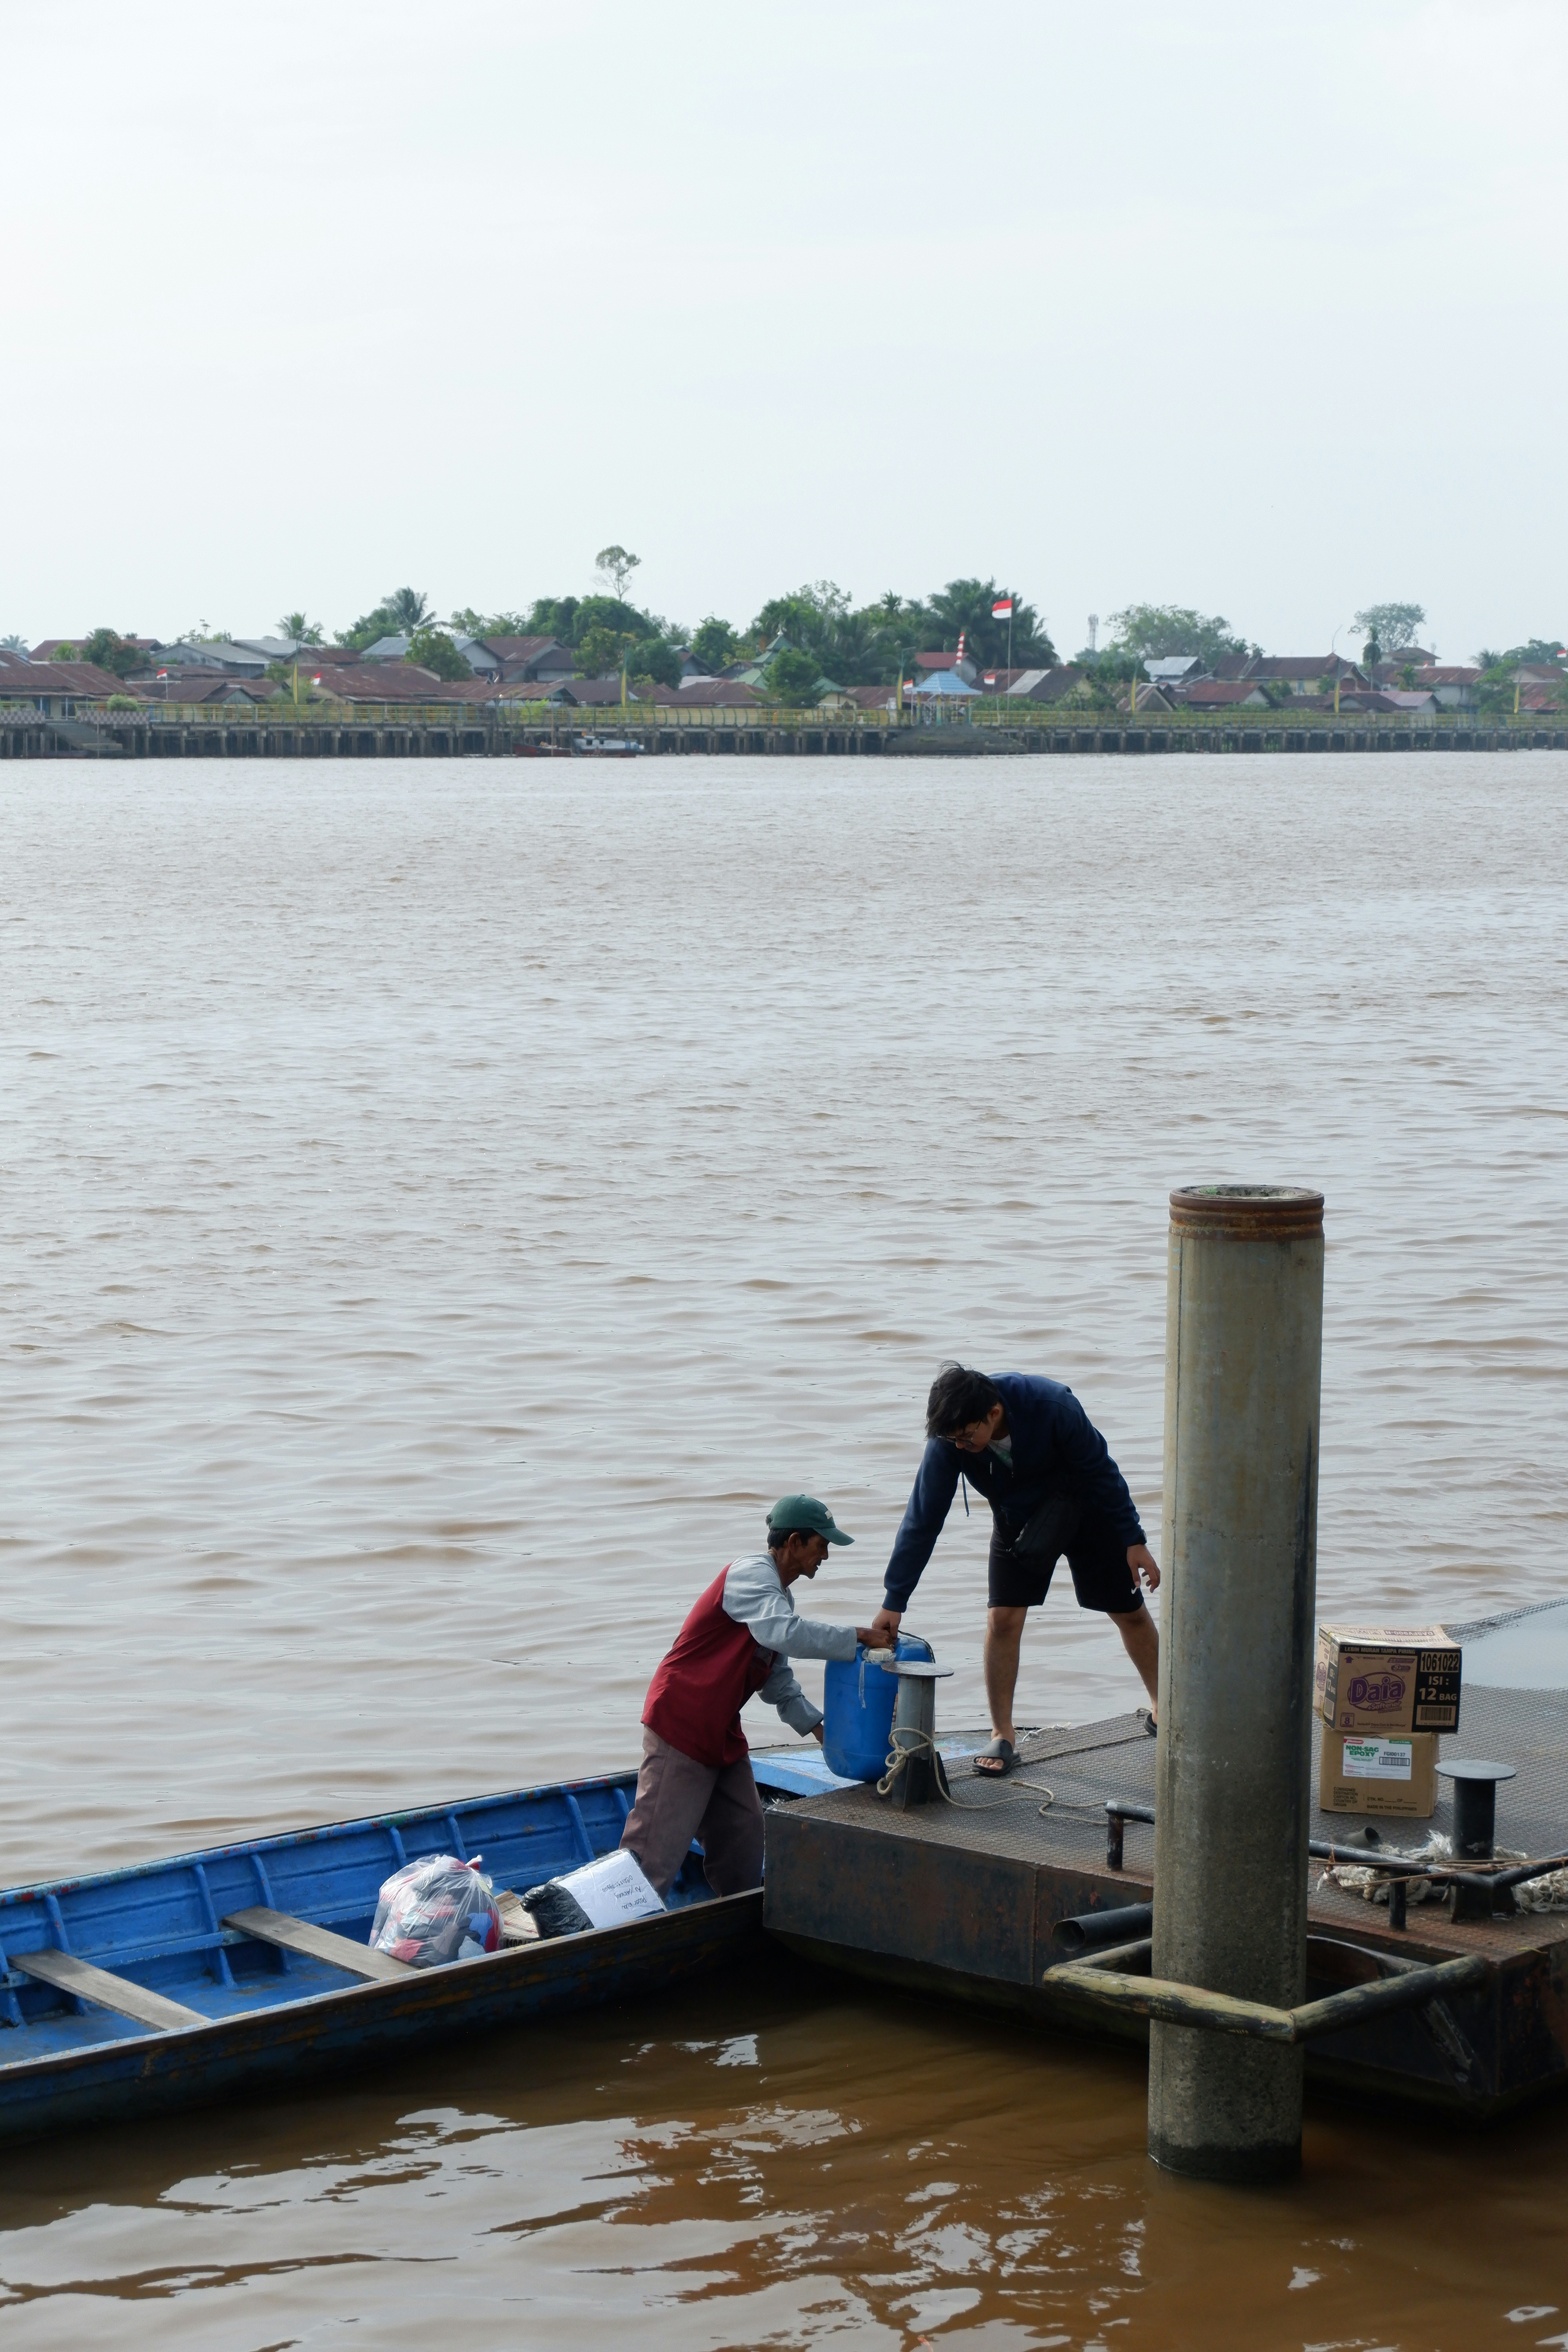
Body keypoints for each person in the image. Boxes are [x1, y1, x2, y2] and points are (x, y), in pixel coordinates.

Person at [868, 1363, 1160, 1777]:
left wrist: (1134, 1540)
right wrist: (894, 1599)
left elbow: (1101, 1470)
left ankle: (1164, 1706)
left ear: (993, 1413)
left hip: (1088, 1510)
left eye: (969, 1438)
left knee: (1128, 1612)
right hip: (1018, 1520)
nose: (963, 1447)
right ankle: (1003, 1733)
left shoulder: (1052, 1405)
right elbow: (923, 1519)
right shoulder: (950, 1441)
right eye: (954, 1441)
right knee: (1002, 1619)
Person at [620, 1494, 878, 1898]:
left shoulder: (780, 1599)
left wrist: (820, 1729)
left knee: (742, 1838)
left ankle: (738, 1926)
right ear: (794, 1543)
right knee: (653, 1856)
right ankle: (611, 1930)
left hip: (719, 1732)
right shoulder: (750, 1575)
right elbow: (784, 1633)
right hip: (682, 1723)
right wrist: (856, 1636)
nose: (826, 1555)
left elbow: (777, 1681)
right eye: (822, 1544)